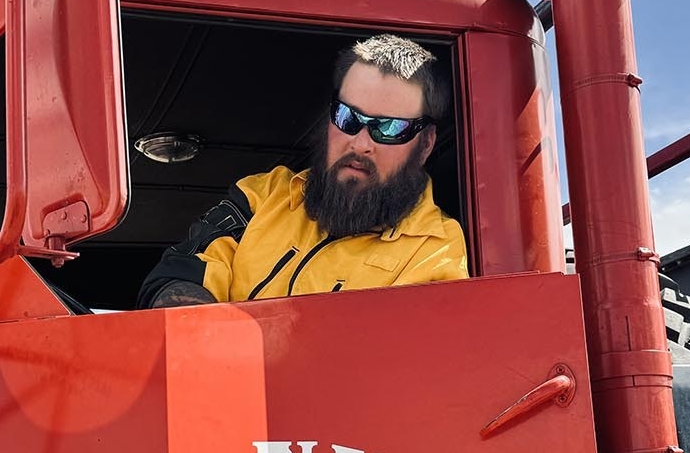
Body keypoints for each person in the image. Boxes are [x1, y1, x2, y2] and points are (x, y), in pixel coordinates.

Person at [136, 34, 468, 308]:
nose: (360, 143)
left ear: (425, 144)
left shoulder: (437, 253)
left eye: (391, 127)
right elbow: (181, 272)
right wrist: (199, 332)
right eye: (348, 117)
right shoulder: (266, 194)